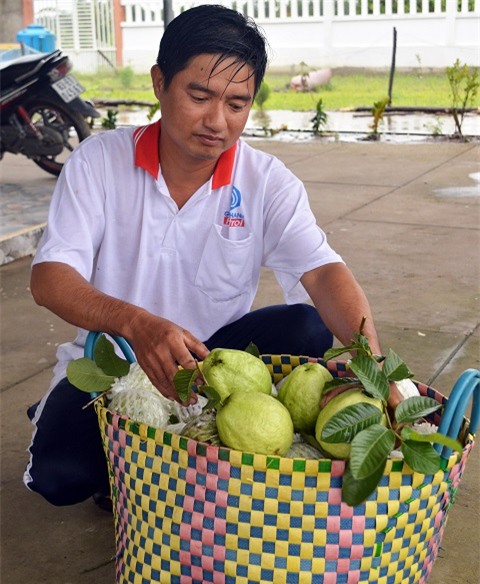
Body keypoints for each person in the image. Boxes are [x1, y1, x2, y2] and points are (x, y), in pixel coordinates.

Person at [24, 4, 401, 508]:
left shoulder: (266, 181)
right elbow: (50, 279)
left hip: (211, 361)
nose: (217, 121)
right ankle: (87, 439)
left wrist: (376, 370)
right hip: (117, 362)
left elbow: (322, 270)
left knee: (306, 328)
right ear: (160, 82)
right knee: (60, 478)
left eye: (238, 103)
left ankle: (192, 451)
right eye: (199, 96)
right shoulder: (99, 163)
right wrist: (138, 325)